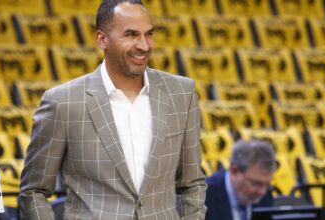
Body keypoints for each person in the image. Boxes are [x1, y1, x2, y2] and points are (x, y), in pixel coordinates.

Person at [18, 0, 207, 219]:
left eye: (149, 34)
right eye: (131, 35)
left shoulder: (182, 93)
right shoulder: (62, 102)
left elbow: (192, 184)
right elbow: (33, 191)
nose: (144, 46)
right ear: (102, 39)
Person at [205, 139, 276, 220]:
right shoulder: (202, 197)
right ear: (235, 171)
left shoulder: (265, 195)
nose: (262, 192)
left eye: (267, 184)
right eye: (256, 183)